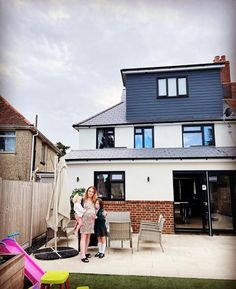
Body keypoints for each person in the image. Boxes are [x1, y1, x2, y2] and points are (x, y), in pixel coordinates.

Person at [80, 186, 97, 263]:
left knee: (88, 238)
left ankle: (86, 252)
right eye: (89, 191)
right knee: (83, 237)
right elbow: (78, 211)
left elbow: (96, 209)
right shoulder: (83, 200)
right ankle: (82, 255)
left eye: (92, 192)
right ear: (87, 191)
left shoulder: (94, 200)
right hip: (84, 221)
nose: (91, 193)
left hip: (91, 221)